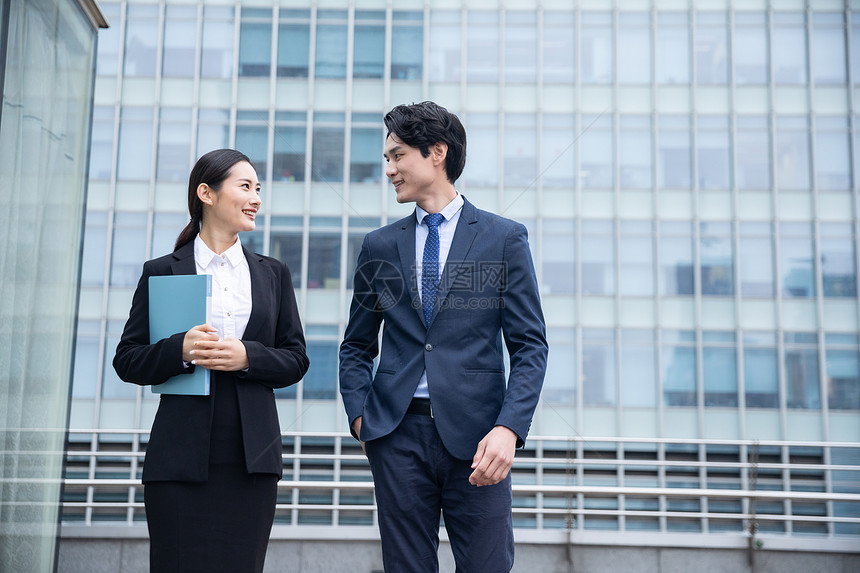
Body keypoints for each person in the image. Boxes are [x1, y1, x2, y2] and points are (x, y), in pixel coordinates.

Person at [339, 102, 548, 572]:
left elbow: (530, 346)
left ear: (437, 152)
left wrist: (509, 429)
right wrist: (361, 418)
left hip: (480, 438)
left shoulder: (503, 238)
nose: (389, 169)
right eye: (387, 159)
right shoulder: (379, 245)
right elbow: (356, 345)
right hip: (397, 434)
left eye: (397, 156)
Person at [113, 148, 309, 573]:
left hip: (251, 457)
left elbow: (296, 360)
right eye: (245, 186)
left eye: (258, 188)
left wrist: (246, 357)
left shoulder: (273, 273)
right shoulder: (162, 270)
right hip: (179, 458)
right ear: (207, 193)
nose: (256, 197)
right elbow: (127, 360)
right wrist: (178, 350)